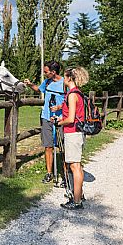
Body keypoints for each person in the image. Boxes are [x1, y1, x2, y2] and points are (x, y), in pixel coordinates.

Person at [24, 61, 65, 184]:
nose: (44, 73)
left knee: (62, 147)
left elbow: (71, 100)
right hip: (46, 118)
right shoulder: (47, 82)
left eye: (46, 72)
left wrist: (59, 107)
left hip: (61, 120)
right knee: (48, 146)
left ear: (53, 72)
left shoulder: (65, 83)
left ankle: (64, 174)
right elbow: (39, 89)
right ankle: (49, 173)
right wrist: (31, 84)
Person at [56, 67, 90, 210]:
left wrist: (59, 122)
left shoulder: (71, 94)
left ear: (69, 78)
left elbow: (70, 119)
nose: (63, 80)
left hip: (72, 133)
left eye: (65, 77)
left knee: (74, 166)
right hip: (78, 133)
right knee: (77, 165)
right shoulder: (78, 93)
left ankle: (76, 201)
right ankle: (78, 194)